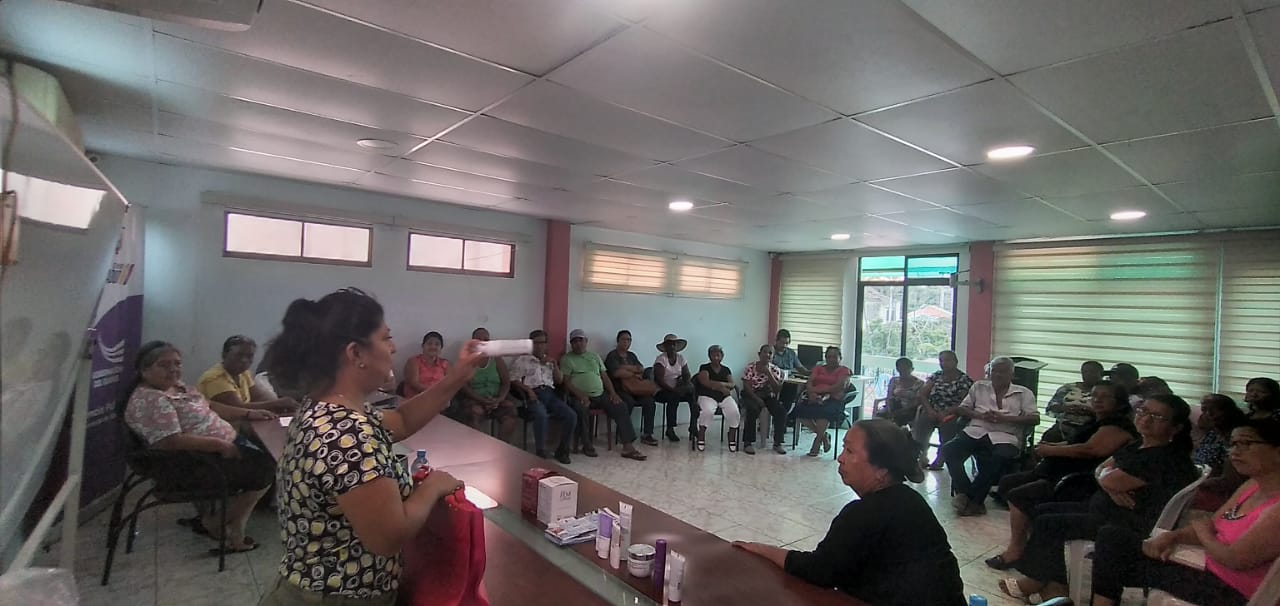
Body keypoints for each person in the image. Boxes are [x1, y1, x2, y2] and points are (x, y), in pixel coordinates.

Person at [259, 289, 481, 605]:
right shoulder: (346, 432)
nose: (393, 348)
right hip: (337, 596)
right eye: (386, 338)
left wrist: (457, 377)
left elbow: (401, 421)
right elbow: (389, 536)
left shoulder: (331, 408)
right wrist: (432, 487)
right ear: (356, 354)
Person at [733, 419, 966, 606]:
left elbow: (819, 571)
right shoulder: (912, 501)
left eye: (850, 451)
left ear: (881, 470)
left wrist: (762, 549)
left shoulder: (865, 513)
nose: (840, 458)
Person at [997, 394, 1200, 603]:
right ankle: (1055, 584)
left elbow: (1109, 477)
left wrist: (1108, 481)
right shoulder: (1141, 444)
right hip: (1107, 509)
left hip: (1126, 523)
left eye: (1157, 417)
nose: (1146, 419)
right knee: (1043, 511)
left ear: (1176, 427)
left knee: (1050, 522)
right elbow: (1102, 469)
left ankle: (1036, 582)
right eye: (1143, 411)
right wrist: (1110, 485)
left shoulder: (1164, 457)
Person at [1089, 418, 1280, 606]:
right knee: (1112, 538)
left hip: (1228, 589)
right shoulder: (1252, 486)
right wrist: (1174, 536)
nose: (1235, 451)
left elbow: (1234, 559)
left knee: (1115, 561)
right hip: (1206, 566)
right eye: (1233, 444)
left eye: (1246, 443)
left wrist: (1204, 533)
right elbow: (1211, 525)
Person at [123, 341, 276, 553]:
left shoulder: (175, 387)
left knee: (266, 460)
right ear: (144, 370)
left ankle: (234, 527)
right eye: (164, 365)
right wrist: (219, 444)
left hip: (216, 448)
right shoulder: (152, 399)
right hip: (189, 463)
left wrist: (249, 414)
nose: (173, 369)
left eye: (177, 363)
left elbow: (210, 405)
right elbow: (168, 441)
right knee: (266, 470)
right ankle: (216, 523)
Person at [985, 381, 1137, 570]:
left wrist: (1051, 451)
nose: (1098, 400)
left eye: (1105, 397)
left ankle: (1015, 550)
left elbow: (1089, 450)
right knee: (1010, 482)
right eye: (1095, 395)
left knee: (1019, 495)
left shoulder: (1118, 425)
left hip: (1077, 481)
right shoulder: (1096, 420)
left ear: (1119, 402)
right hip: (1058, 472)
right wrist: (1049, 447)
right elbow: (1073, 442)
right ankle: (1029, 544)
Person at [942, 356, 1039, 516]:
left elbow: (1035, 418)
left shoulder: (1023, 393)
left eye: (1003, 371)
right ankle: (967, 494)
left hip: (1006, 435)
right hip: (976, 430)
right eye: (995, 371)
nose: (998, 374)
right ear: (989, 372)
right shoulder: (979, 386)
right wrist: (980, 415)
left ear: (1012, 374)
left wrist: (1005, 418)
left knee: (997, 458)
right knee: (949, 450)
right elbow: (962, 408)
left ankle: (972, 500)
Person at [560, 329, 647, 461]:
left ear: (586, 341)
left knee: (621, 406)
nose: (578, 343)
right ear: (571, 344)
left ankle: (628, 447)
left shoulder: (594, 356)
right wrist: (581, 395)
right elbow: (566, 382)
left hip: (600, 394)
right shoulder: (567, 359)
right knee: (581, 409)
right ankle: (586, 445)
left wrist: (613, 393)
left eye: (580, 340)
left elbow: (605, 377)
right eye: (575, 341)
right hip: (579, 396)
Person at [509, 330, 577, 464]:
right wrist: (528, 390)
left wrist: (555, 365)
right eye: (536, 343)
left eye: (543, 343)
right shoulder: (522, 360)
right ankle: (540, 450)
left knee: (571, 415)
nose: (540, 346)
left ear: (546, 344)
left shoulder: (550, 361)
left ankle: (562, 450)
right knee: (541, 415)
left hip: (550, 394)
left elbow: (559, 381)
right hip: (533, 394)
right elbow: (513, 379)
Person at [198, 335, 299, 415]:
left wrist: (281, 406)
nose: (244, 360)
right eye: (239, 355)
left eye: (249, 356)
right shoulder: (215, 378)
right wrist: (277, 403)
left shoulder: (244, 373)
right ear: (224, 355)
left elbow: (258, 396)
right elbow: (237, 408)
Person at [454, 327, 519, 444]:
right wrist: (483, 400)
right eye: (479, 340)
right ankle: (478, 450)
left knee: (511, 412)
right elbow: (464, 387)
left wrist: (499, 399)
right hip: (475, 399)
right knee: (474, 413)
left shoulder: (496, 359)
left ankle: (502, 447)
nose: (483, 342)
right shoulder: (467, 360)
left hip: (495, 400)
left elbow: (506, 382)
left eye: (486, 340)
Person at [912, 350, 975, 469]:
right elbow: (922, 394)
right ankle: (922, 456)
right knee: (922, 423)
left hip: (953, 412)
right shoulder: (936, 376)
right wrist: (930, 410)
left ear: (955, 362)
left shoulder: (964, 379)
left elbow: (964, 402)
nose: (943, 363)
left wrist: (946, 412)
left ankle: (941, 457)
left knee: (948, 426)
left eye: (947, 360)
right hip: (932, 409)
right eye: (941, 360)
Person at [605, 330, 660, 446]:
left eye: (629, 340)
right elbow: (616, 373)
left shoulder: (632, 355)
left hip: (636, 388)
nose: (626, 342)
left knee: (650, 402)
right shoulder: (612, 355)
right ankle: (623, 434)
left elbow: (641, 369)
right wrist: (633, 372)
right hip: (620, 389)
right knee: (628, 402)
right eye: (623, 339)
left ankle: (647, 434)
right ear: (618, 341)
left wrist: (625, 368)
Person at [795, 346, 853, 457]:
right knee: (799, 412)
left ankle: (816, 443)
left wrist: (820, 392)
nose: (831, 359)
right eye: (829, 357)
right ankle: (823, 436)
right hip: (815, 397)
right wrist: (812, 393)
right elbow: (810, 382)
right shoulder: (818, 368)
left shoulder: (844, 371)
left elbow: (839, 386)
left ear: (840, 358)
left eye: (834, 357)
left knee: (824, 414)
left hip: (833, 399)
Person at [1042, 360, 1104, 443]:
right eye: (1085, 372)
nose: (1088, 374)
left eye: (1092, 372)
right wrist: (1065, 408)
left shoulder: (1105, 391)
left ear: (1101, 373)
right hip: (1063, 426)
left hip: (1090, 429)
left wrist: (1088, 411)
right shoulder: (1068, 388)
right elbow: (1052, 407)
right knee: (1048, 438)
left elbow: (1109, 414)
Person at [741, 344, 787, 455]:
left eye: (770, 353)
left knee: (781, 411)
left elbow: (777, 389)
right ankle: (748, 443)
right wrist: (757, 399)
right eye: (765, 352)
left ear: (773, 356)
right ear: (759, 354)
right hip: (752, 394)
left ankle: (777, 443)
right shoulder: (751, 367)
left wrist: (768, 372)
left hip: (767, 395)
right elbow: (746, 386)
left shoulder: (775, 369)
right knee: (752, 409)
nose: (767, 355)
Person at [695, 345, 742, 452]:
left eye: (718, 355)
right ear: (709, 356)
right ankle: (701, 435)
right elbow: (705, 382)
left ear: (722, 356)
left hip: (724, 397)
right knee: (707, 411)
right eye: (713, 355)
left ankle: (731, 436)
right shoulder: (704, 367)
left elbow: (732, 384)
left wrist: (720, 385)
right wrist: (721, 387)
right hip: (707, 395)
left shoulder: (726, 369)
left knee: (734, 411)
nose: (716, 357)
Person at [653, 333, 697, 442]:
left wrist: (684, 382)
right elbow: (659, 380)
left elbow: (687, 374)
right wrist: (674, 390)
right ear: (665, 346)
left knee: (692, 394)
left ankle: (693, 426)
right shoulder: (661, 359)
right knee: (673, 397)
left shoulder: (681, 358)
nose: (672, 346)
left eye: (674, 344)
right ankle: (670, 429)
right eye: (669, 344)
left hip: (678, 389)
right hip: (662, 390)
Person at [876, 357, 925, 426]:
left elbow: (917, 402)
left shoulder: (919, 383)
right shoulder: (894, 380)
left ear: (912, 369)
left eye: (906, 369)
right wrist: (889, 408)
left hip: (910, 410)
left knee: (899, 418)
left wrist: (901, 411)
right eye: (901, 369)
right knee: (879, 416)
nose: (903, 372)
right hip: (894, 407)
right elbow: (889, 396)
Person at [401, 332, 448, 398]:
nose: (433, 347)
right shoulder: (413, 361)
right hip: (417, 399)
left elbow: (450, 383)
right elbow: (414, 384)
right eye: (429, 343)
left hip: (440, 399)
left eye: (437, 344)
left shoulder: (446, 364)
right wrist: (435, 393)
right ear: (423, 346)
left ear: (441, 348)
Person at [772, 329, 807, 409]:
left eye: (787, 343)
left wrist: (811, 372)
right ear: (776, 341)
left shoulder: (791, 353)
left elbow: (800, 368)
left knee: (794, 391)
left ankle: (786, 412)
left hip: (789, 382)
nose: (784, 345)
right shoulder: (770, 352)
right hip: (775, 381)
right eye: (782, 343)